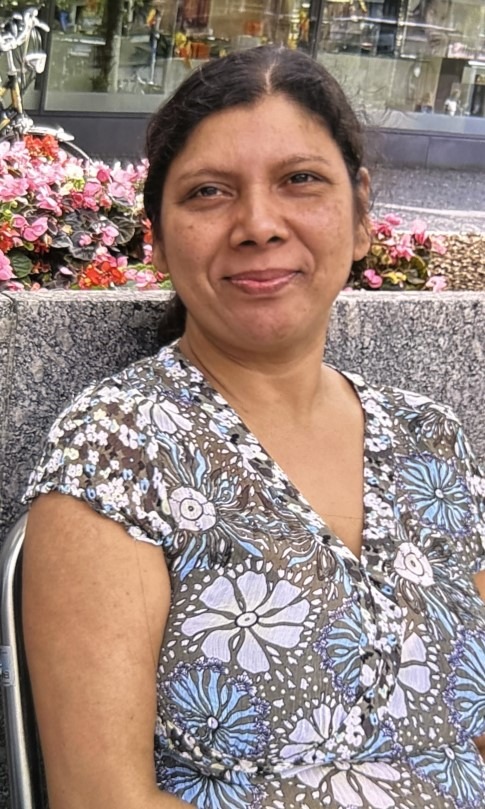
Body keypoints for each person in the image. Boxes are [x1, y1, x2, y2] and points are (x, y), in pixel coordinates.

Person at [22, 46, 485, 809]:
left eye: (300, 179)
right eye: (208, 192)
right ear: (158, 238)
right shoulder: (119, 450)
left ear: (360, 215)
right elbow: (102, 797)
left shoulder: (429, 438)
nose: (259, 225)